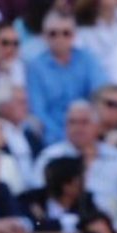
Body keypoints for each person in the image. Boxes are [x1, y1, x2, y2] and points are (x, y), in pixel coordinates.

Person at [24, 11, 106, 145]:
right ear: (44, 36)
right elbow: (39, 111)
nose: (60, 38)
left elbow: (101, 95)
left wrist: (89, 132)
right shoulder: (36, 67)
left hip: (90, 134)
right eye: (53, 33)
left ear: (74, 35)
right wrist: (65, 136)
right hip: (51, 139)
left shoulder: (88, 60)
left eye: (66, 33)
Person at [18, 155, 98, 233]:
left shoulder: (86, 203)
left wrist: (46, 222)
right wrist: (42, 223)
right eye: (80, 180)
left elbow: (89, 225)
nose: (84, 184)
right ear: (66, 186)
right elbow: (32, 225)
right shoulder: (32, 200)